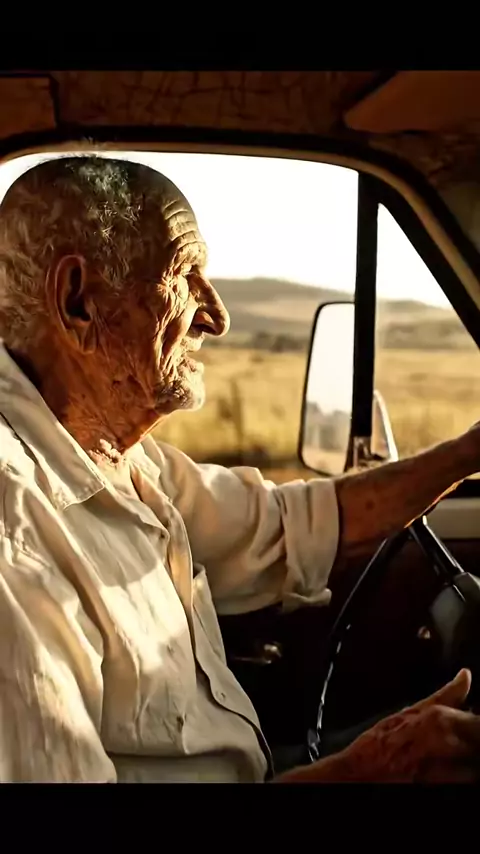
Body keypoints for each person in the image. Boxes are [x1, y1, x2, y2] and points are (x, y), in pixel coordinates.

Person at [0, 155, 479, 784]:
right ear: (78, 301)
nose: (217, 315)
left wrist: (468, 452)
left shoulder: (123, 462)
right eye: (185, 275)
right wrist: (365, 774)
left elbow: (292, 526)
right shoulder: (15, 535)